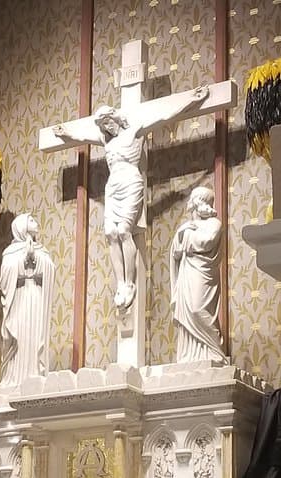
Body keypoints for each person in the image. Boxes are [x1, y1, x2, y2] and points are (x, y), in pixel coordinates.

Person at [52, 86, 209, 312]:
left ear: (114, 118)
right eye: (103, 125)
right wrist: (65, 132)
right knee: (110, 233)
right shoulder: (106, 140)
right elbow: (82, 136)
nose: (106, 128)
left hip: (131, 182)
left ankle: (130, 283)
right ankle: (120, 283)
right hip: (113, 185)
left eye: (107, 122)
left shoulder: (134, 130)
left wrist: (191, 101)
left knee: (124, 231)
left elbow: (165, 116)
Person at [0, 213, 55, 388]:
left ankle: (34, 373)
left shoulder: (42, 252)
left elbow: (50, 270)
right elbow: (4, 278)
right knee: (20, 336)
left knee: (35, 334)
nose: (36, 222)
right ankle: (15, 378)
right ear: (21, 226)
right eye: (31, 220)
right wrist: (23, 260)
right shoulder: (10, 253)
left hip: (36, 297)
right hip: (19, 299)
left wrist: (35, 258)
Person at [171, 186, 227, 363]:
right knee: (187, 309)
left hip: (203, 273)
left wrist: (186, 235)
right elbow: (176, 252)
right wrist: (183, 236)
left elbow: (207, 242)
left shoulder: (214, 224)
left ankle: (214, 351)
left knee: (197, 309)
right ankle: (190, 355)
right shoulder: (186, 226)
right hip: (187, 271)